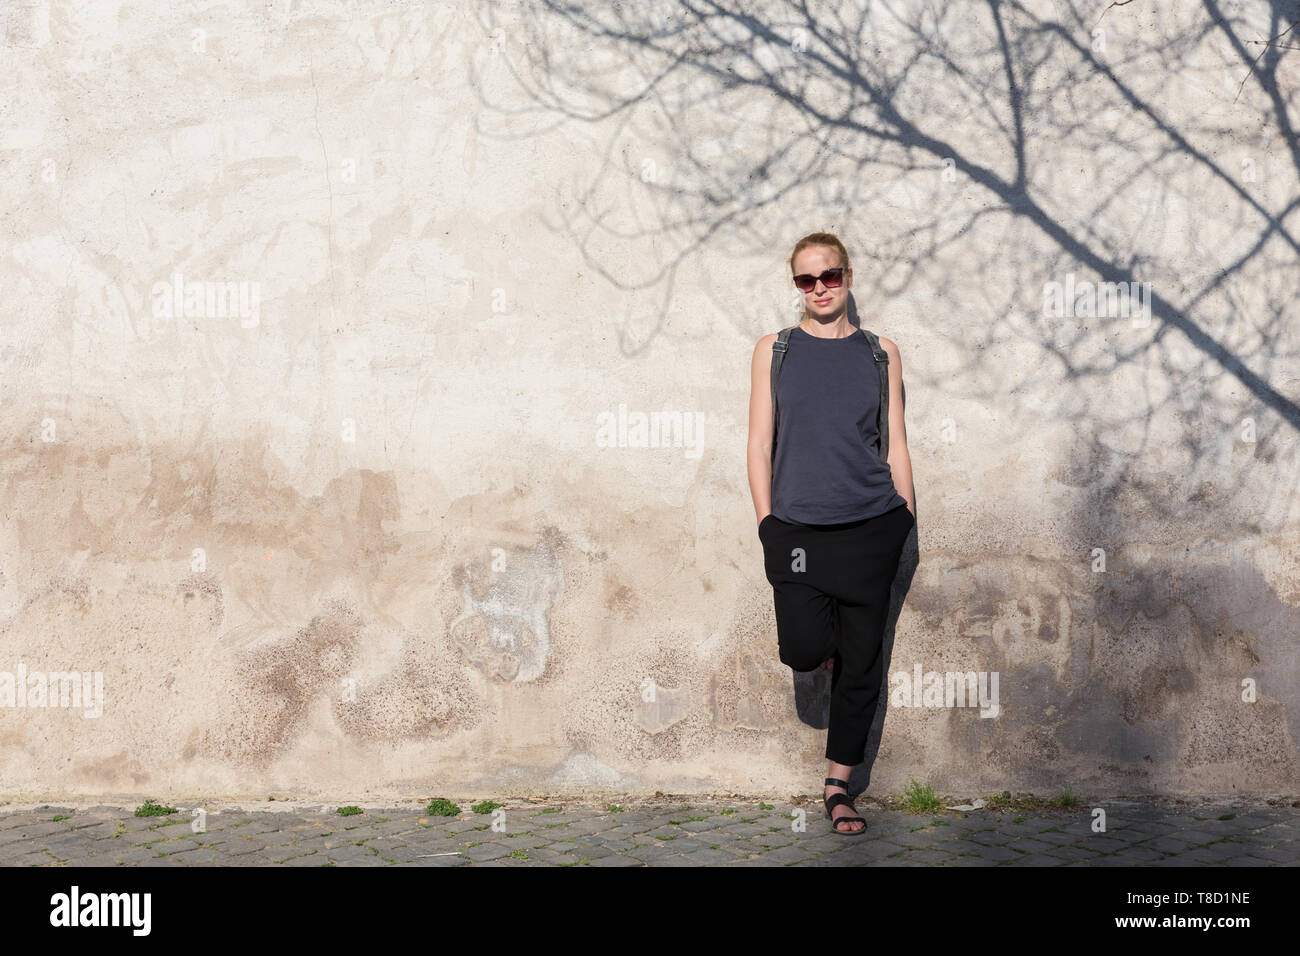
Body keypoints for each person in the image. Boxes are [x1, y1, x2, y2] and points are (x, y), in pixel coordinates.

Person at [746, 232, 917, 835]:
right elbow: (758, 443)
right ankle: (825, 652)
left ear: (848, 276)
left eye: (830, 276)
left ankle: (839, 786)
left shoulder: (881, 352)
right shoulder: (776, 350)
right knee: (800, 646)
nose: (819, 288)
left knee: (863, 663)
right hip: (796, 530)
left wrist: (905, 521)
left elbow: (895, 442)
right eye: (806, 280)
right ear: (796, 285)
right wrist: (767, 523)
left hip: (872, 524)